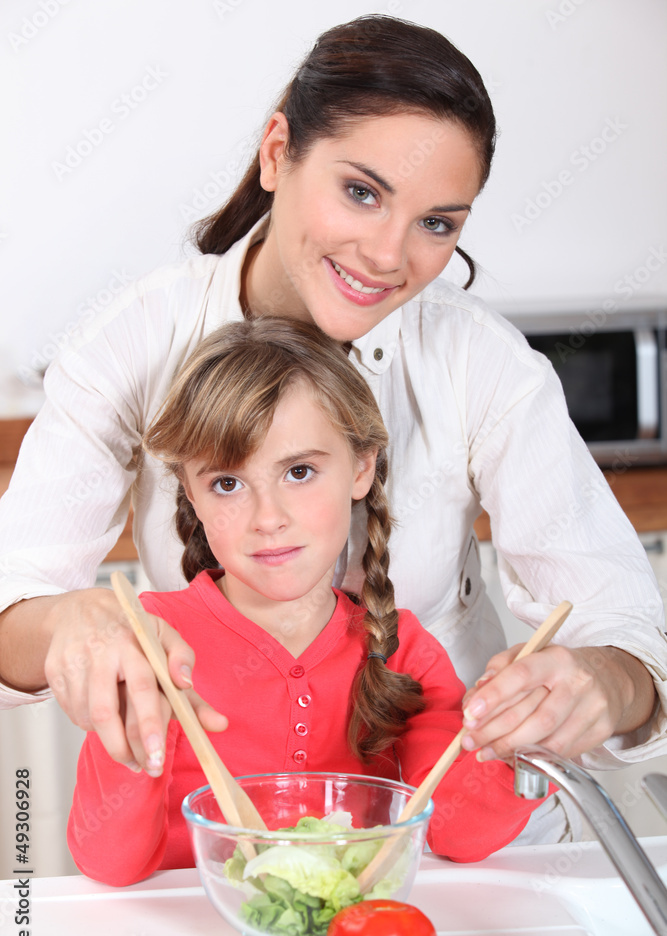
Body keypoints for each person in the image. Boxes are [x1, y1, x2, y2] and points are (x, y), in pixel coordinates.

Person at [0, 16, 664, 845]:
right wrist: (68, 623)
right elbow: (12, 602)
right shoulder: (131, 343)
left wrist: (604, 681)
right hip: (245, 856)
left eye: (436, 223)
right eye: (361, 192)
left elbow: (624, 629)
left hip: (461, 851)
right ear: (278, 153)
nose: (387, 255)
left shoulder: (482, 363)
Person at [67, 318, 548, 886]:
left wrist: (520, 749)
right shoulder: (152, 643)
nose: (268, 518)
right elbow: (109, 862)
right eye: (227, 483)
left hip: (348, 932)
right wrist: (134, 733)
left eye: (299, 472)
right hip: (185, 930)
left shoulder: (401, 649)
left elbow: (453, 830)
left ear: (361, 468)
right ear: (190, 492)